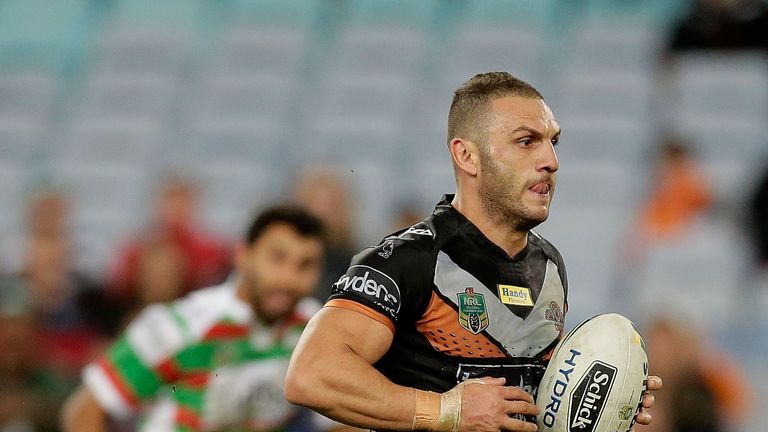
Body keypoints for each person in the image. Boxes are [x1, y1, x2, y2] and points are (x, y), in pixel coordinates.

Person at [284, 72, 661, 431]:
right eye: (526, 141)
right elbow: (312, 375)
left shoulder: (548, 265)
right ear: (467, 156)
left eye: (553, 142)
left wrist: (605, 400)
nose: (551, 161)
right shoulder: (409, 260)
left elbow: (533, 395)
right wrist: (447, 411)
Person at [61, 205, 342, 431]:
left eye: (305, 265)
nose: (288, 278)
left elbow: (340, 422)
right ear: (243, 256)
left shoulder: (313, 327)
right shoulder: (180, 326)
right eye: (277, 258)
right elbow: (85, 410)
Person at [107, 174, 231, 310]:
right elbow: (120, 293)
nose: (176, 208)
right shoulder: (136, 248)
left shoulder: (212, 250)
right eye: (171, 201)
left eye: (182, 201)